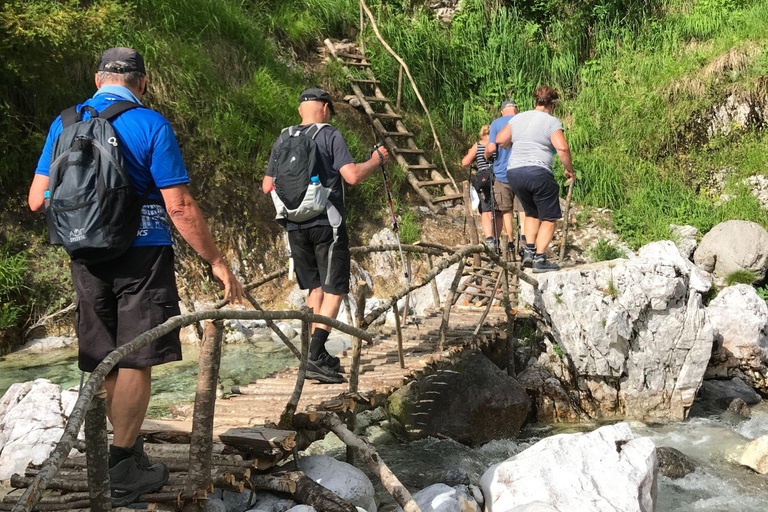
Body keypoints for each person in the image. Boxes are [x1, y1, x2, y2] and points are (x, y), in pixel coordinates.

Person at [28, 47, 245, 506]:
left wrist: (86, 218)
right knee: (137, 358)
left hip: (83, 255)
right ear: (141, 82)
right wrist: (217, 261)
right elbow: (179, 206)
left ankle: (127, 453)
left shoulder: (64, 122)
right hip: (141, 253)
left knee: (107, 354)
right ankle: (124, 466)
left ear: (97, 78)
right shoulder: (150, 123)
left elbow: (36, 199)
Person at [262, 88, 389, 384]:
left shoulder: (283, 138)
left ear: (300, 110)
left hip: (293, 224)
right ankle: (315, 356)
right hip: (326, 223)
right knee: (335, 289)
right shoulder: (330, 135)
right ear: (325, 109)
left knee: (315, 290)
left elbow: (267, 185)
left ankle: (314, 354)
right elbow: (352, 176)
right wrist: (376, 160)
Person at [495, 86, 575, 273]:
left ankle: (529, 251)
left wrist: (510, 143)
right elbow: (562, 148)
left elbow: (500, 139)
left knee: (531, 213)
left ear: (535, 102)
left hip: (514, 172)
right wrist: (569, 169)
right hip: (538, 171)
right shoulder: (551, 121)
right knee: (549, 217)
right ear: (553, 104)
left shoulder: (518, 118)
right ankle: (540, 258)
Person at [485, 100, 526, 255]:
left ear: (502, 111)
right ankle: (524, 242)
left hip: (503, 173)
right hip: (522, 172)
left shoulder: (496, 123)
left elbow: (491, 147)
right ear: (516, 109)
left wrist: (486, 155)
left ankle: (509, 242)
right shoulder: (524, 120)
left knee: (506, 210)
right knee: (523, 209)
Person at [461, 125, 496, 247]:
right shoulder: (497, 144)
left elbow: (465, 162)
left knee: (485, 211)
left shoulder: (478, 145)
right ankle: (500, 239)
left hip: (483, 179)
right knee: (499, 211)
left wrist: (472, 153)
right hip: (498, 178)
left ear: (482, 134)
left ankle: (489, 239)